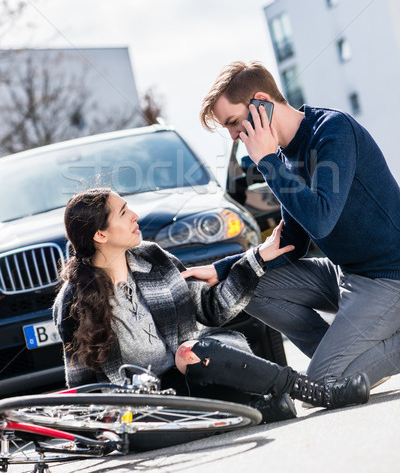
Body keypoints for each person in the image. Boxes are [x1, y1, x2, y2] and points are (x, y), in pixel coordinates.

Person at [53, 188, 369, 427]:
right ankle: (260, 408)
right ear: (100, 234)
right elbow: (84, 385)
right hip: (145, 408)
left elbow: (211, 309)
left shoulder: (153, 259)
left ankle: (313, 391)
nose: (135, 215)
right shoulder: (74, 300)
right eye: (123, 212)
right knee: (257, 407)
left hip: (203, 372)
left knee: (187, 352)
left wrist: (258, 258)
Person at [197, 60, 400, 388]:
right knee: (247, 285)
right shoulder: (288, 155)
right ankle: (344, 361)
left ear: (261, 102)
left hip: (389, 278)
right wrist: (222, 270)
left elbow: (320, 221)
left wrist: (268, 162)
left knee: (324, 380)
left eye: (234, 122)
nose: (234, 136)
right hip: (346, 273)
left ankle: (339, 369)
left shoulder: (333, 131)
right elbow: (292, 243)